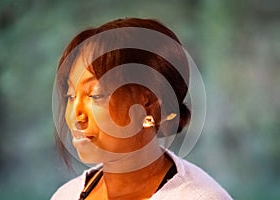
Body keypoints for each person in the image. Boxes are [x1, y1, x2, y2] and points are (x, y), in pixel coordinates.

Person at [51, 18, 232, 200]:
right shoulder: (66, 195)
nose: (76, 115)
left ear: (147, 103)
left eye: (96, 96)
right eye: (71, 96)